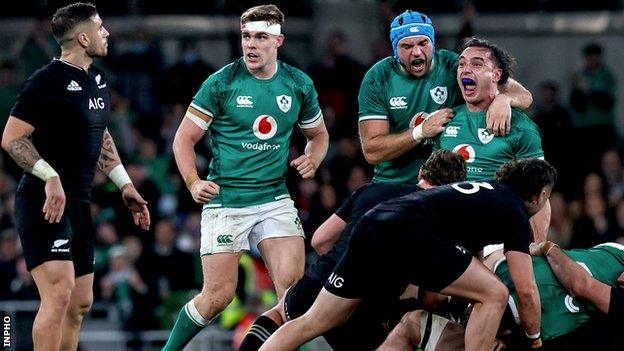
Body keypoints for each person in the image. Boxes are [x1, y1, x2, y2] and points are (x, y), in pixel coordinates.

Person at [163, 4, 329, 350]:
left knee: (294, 296)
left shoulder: (298, 84)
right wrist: (194, 181)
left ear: (278, 41)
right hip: (227, 201)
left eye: (261, 37)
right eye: (246, 36)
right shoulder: (221, 83)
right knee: (217, 298)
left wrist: (313, 159)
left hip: (274, 198)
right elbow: (183, 139)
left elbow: (318, 135)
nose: (251, 45)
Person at [260, 158, 556, 351]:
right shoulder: (514, 212)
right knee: (495, 293)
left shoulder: (485, 195)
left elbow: (468, 264)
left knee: (313, 321)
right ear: (541, 195)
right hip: (407, 233)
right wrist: (535, 340)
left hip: (373, 224)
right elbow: (526, 291)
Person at [0, 3, 151, 350]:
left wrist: (124, 184)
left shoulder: (98, 79)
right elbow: (11, 138)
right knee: (59, 293)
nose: (107, 33)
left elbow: (100, 136)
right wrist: (49, 176)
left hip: (80, 202)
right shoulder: (44, 81)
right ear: (83, 37)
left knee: (80, 301)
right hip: (44, 201)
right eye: (100, 28)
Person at [239, 149, 467, 350]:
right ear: (455, 190)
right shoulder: (438, 218)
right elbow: (431, 294)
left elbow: (320, 240)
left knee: (280, 313)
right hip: (365, 301)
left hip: (328, 273)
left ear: (420, 173)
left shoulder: (372, 190)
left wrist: (343, 264)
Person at [358, 10, 532, 185]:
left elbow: (524, 97)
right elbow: (372, 152)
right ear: (395, 50)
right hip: (392, 183)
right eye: (407, 46)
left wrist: (503, 99)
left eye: (423, 43)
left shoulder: (454, 66)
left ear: (432, 44)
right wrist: (421, 131)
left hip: (444, 187)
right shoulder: (378, 78)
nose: (417, 52)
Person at [379, 242, 624, 350]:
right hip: (501, 304)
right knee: (417, 307)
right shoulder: (615, 251)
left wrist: (549, 248)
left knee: (413, 323)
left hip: (519, 335)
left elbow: (580, 285)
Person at [435, 36, 550, 242]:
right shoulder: (446, 121)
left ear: (497, 75)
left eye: (477, 64)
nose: (466, 69)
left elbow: (538, 192)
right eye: (461, 64)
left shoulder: (521, 127)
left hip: (497, 234)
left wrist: (536, 247)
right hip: (450, 231)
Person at [569, 42, 618, 175]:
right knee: (587, 163)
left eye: (596, 57)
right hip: (585, 127)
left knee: (606, 162)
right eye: (590, 57)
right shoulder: (580, 75)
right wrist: (577, 90)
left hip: (604, 126)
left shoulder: (607, 76)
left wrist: (588, 89)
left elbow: (608, 102)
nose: (593, 60)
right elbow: (576, 105)